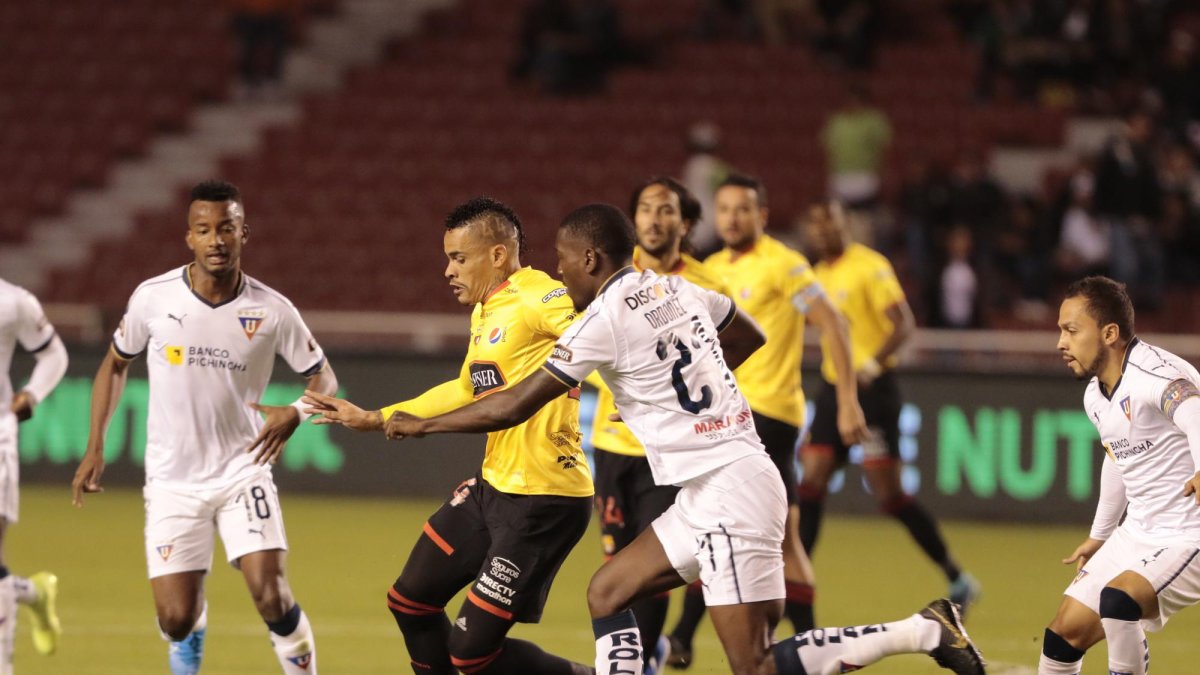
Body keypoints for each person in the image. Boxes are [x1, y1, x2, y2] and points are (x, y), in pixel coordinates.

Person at [321, 203, 985, 675]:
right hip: (710, 487)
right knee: (609, 590)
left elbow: (513, 405)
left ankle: (923, 628)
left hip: (730, 492)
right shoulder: (676, 288)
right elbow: (748, 334)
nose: (559, 273)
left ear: (589, 258)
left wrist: (417, 424)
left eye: (563, 261)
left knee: (751, 663)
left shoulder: (599, 320)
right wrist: (696, 391)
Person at [293, 197, 594, 675]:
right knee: (410, 601)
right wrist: (377, 417)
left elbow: (601, 340)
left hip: (543, 501)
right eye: (448, 258)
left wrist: (632, 398)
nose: (448, 271)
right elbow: (465, 388)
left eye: (459, 258)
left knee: (471, 655)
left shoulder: (540, 295)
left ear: (497, 255)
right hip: (492, 487)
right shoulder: (487, 309)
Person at [71, 180, 336, 675]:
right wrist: (95, 445)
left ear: (244, 234)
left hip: (244, 469)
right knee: (175, 619)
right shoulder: (152, 299)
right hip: (174, 481)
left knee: (271, 594)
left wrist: (297, 411)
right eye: (204, 229)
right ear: (188, 238)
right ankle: (191, 628)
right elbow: (114, 364)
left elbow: (324, 374)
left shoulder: (272, 310)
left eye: (226, 228)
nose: (216, 239)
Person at [666, 173, 868, 668]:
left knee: (727, 523)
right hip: (723, 415)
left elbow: (833, 323)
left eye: (743, 209)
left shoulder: (785, 266)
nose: (733, 218)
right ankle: (808, 644)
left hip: (768, 413)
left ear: (763, 215)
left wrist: (846, 399)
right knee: (778, 533)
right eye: (726, 209)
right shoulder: (708, 268)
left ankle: (685, 636)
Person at [798, 202, 981, 612]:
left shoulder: (870, 266)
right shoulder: (816, 276)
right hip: (833, 388)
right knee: (810, 484)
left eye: (831, 223)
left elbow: (904, 323)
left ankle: (957, 577)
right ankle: (796, 585)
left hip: (874, 390)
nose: (824, 232)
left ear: (846, 226)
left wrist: (874, 362)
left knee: (891, 496)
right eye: (817, 226)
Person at [587, 176, 728, 672]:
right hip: (610, 444)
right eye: (645, 208)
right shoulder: (614, 278)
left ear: (684, 222)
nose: (653, 218)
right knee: (617, 563)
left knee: (653, 567)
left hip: (665, 454)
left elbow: (725, 362)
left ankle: (643, 658)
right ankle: (649, 652)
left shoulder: (705, 285)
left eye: (665, 209)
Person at [1039, 275, 1200, 675]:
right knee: (1063, 636)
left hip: (1189, 534)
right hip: (1138, 532)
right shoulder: (1096, 394)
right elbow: (1119, 457)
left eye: (1071, 330)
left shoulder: (1154, 375)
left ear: (1109, 333)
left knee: (1118, 602)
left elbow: (1195, 411)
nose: (1061, 342)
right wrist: (1100, 534)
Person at [0, 278, 67, 670]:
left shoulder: (13, 302)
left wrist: (32, 394)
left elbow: (54, 356)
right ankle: (32, 593)